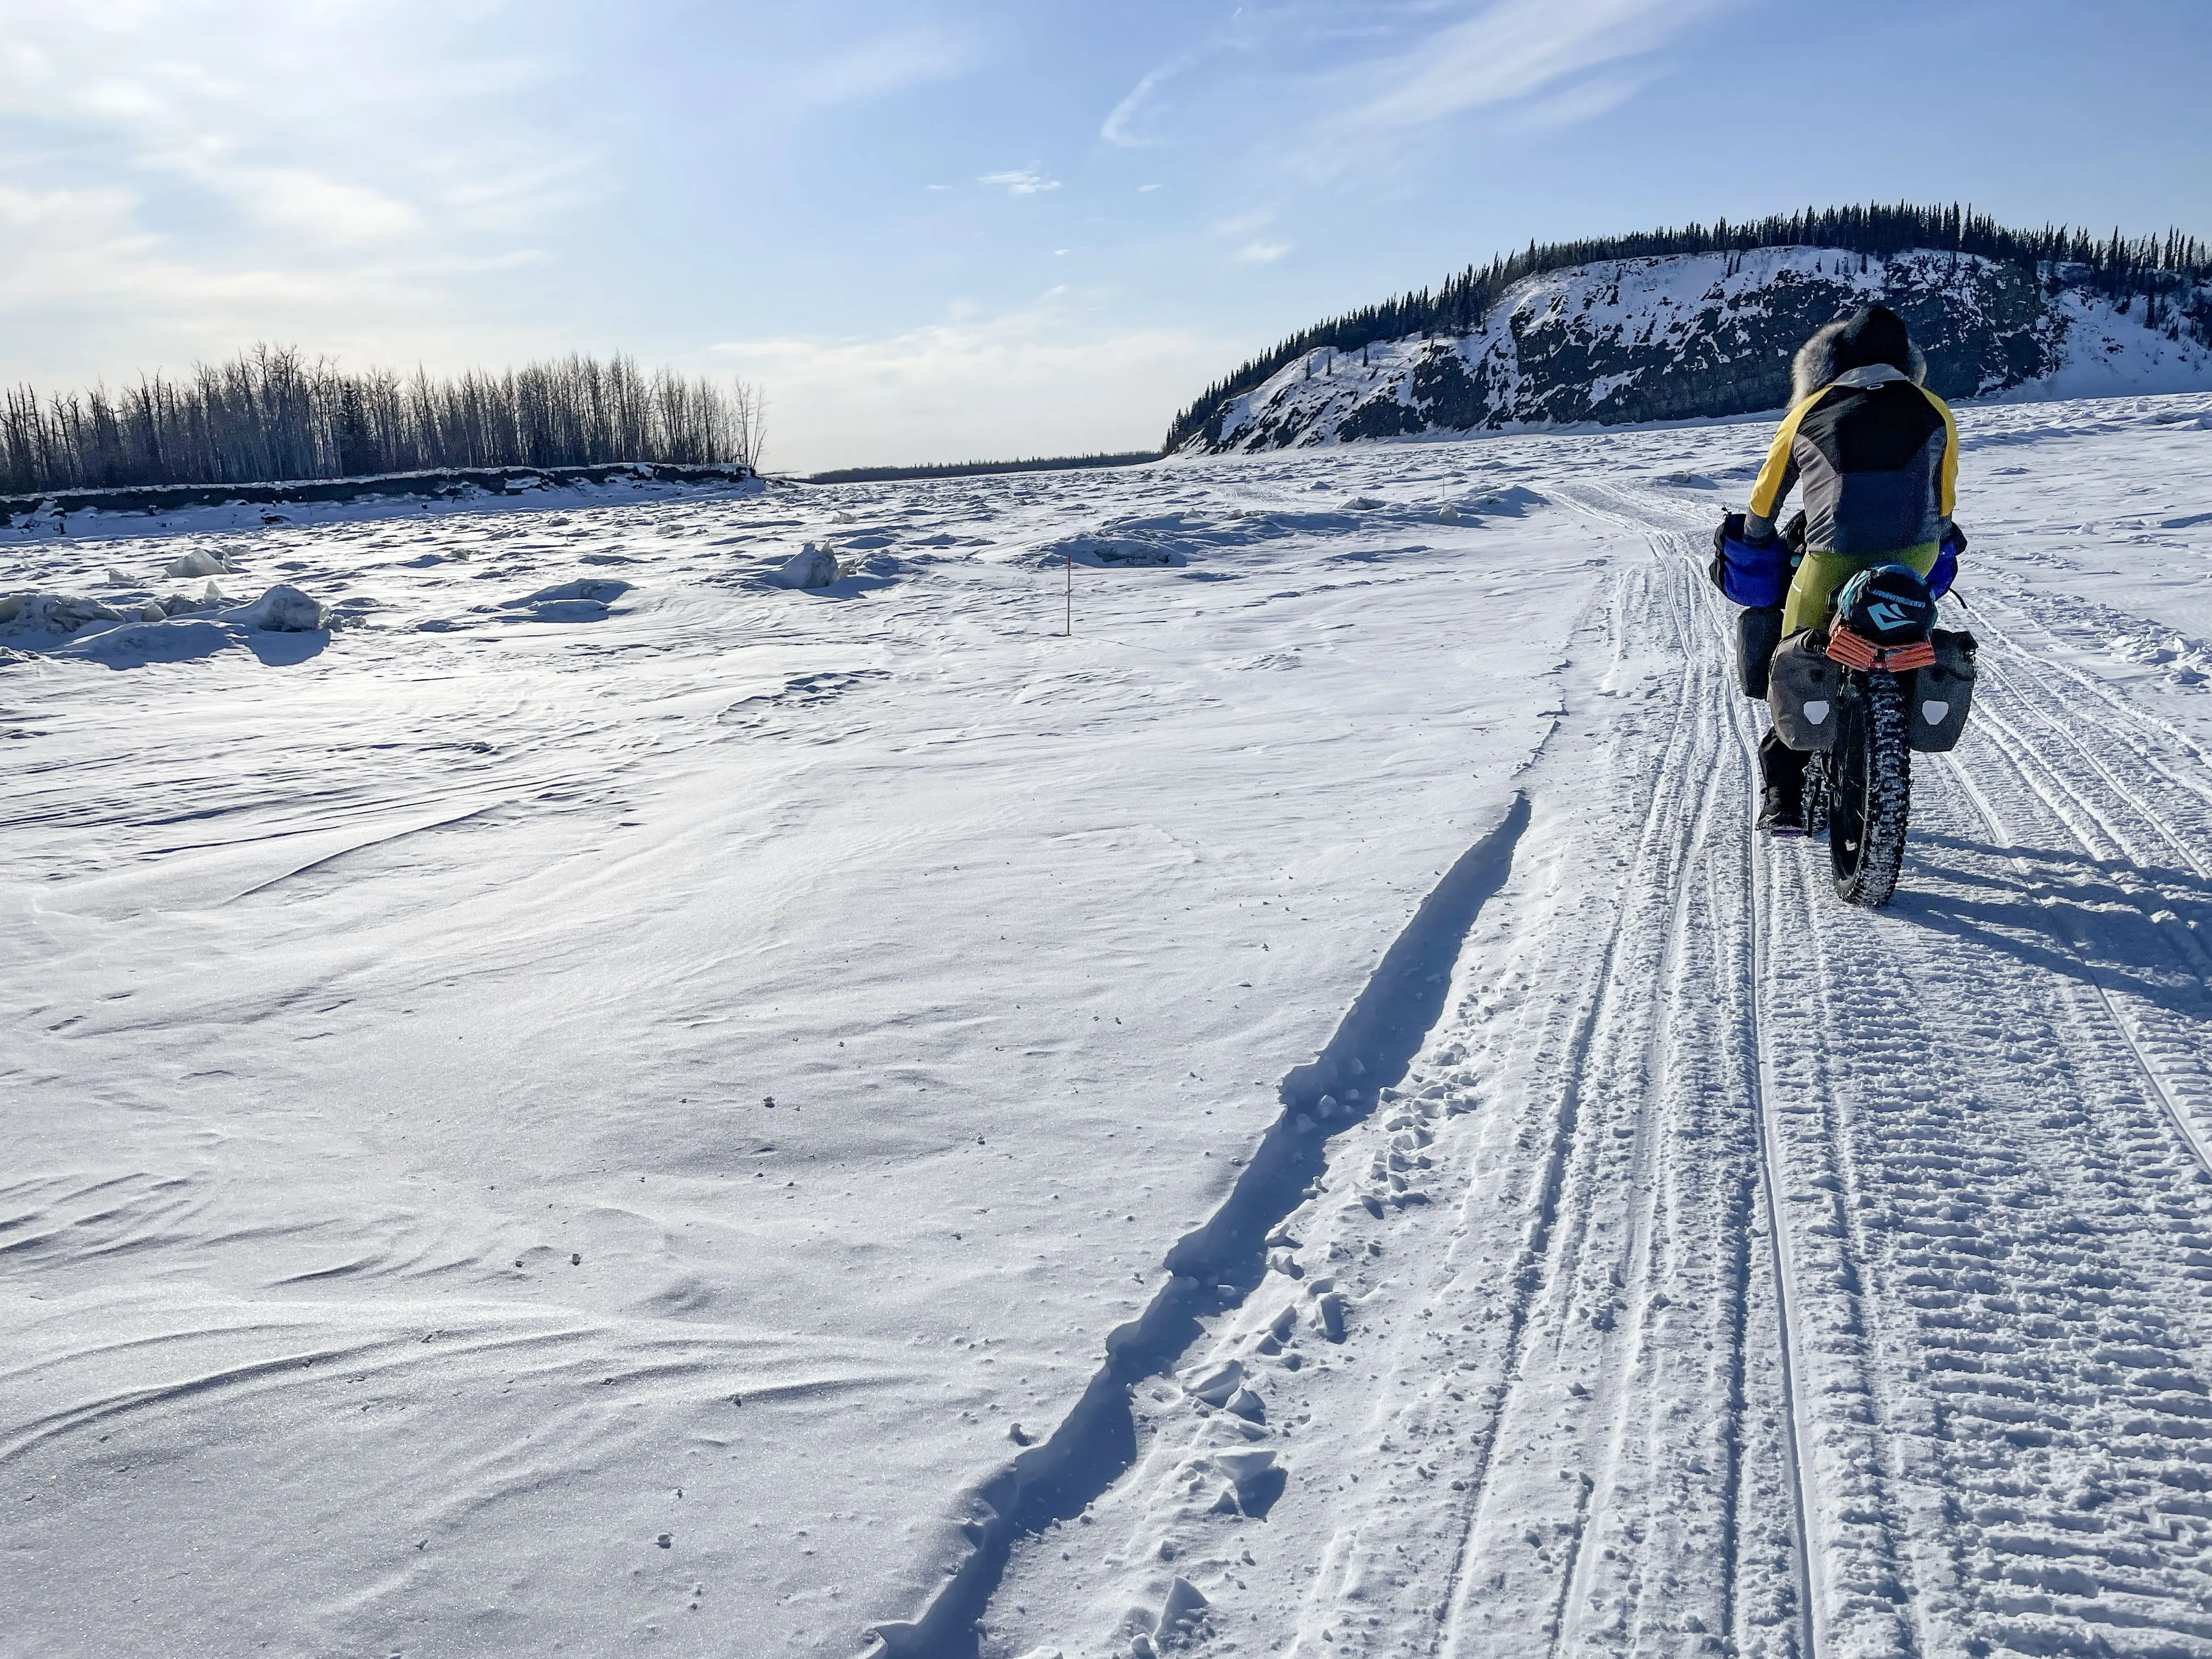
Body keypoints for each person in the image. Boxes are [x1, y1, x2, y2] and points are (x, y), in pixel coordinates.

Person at [1739, 303, 1959, 833]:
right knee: (1907, 634)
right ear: (1909, 361)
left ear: (1833, 360)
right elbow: (1945, 503)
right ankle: (1895, 717)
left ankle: (1784, 796)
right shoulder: (1935, 409)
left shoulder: (1810, 410)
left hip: (1831, 558)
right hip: (1915, 556)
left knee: (1793, 652)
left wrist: (1757, 538)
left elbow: (1766, 499)